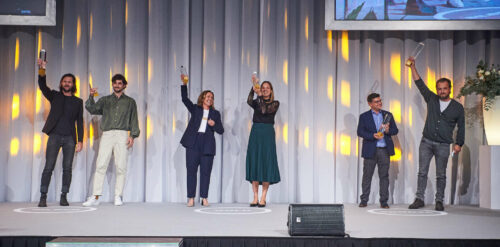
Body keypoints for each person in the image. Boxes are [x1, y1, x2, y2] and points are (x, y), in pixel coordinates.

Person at [407, 56, 465, 211]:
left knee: (441, 175)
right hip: (426, 142)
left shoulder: (458, 108)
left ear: (450, 89)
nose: (441, 91)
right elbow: (420, 84)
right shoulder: (432, 99)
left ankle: (439, 200)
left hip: (444, 145)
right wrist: (413, 67)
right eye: (439, 88)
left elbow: (461, 126)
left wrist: (459, 143)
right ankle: (419, 198)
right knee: (422, 172)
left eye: (444, 88)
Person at [83, 74, 140, 207]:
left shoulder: (130, 102)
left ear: (124, 85)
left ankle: (118, 196)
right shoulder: (105, 100)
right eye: (115, 83)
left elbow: (134, 119)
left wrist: (133, 135)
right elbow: (92, 109)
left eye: (120, 83)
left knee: (121, 167)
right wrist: (91, 96)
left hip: (122, 134)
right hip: (107, 134)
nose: (117, 85)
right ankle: (96, 196)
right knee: (101, 165)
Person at [36, 59, 83, 207]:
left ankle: (64, 196)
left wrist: (80, 140)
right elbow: (42, 86)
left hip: (70, 138)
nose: (67, 83)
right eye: (65, 81)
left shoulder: (78, 101)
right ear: (61, 83)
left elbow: (80, 122)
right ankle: (43, 196)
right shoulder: (55, 95)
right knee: (49, 166)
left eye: (70, 81)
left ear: (73, 85)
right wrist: (42, 69)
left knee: (67, 168)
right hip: (55, 136)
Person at [180, 74, 224, 207]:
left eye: (212, 97)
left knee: (206, 172)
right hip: (193, 143)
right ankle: (191, 198)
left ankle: (204, 197)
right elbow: (184, 99)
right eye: (208, 96)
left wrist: (214, 124)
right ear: (203, 98)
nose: (210, 99)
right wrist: (184, 84)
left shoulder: (215, 114)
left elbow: (221, 130)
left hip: (207, 145)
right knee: (191, 171)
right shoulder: (195, 109)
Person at [357, 93, 398, 209]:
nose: (379, 103)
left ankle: (384, 201)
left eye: (380, 101)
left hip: (384, 150)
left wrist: (389, 130)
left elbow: (395, 130)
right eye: (376, 101)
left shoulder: (388, 115)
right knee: (367, 175)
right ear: (370, 104)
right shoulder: (364, 116)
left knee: (384, 176)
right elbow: (360, 132)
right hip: (370, 149)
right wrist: (372, 135)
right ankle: (364, 200)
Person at [246, 77, 280, 207]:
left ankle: (263, 197)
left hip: (267, 133)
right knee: (255, 161)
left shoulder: (275, 103)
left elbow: (265, 110)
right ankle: (255, 197)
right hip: (256, 131)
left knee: (266, 162)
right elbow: (249, 101)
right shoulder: (257, 100)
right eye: (263, 87)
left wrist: (259, 96)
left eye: (267, 88)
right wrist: (253, 86)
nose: (264, 89)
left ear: (271, 91)